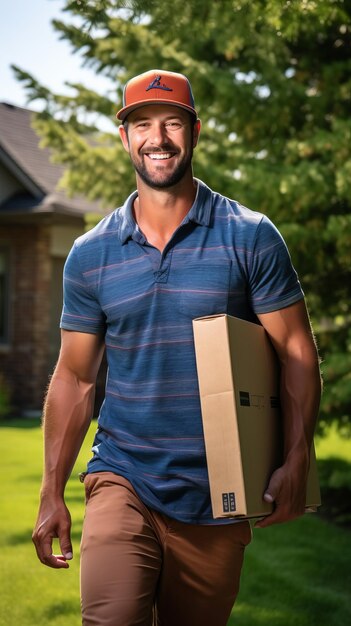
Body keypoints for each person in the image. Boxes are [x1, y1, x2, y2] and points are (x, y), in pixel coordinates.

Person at [32, 69, 322, 626]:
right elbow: (75, 378)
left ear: (194, 131)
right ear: (124, 138)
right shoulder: (91, 255)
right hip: (123, 475)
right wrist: (51, 491)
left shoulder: (250, 235)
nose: (157, 138)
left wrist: (296, 455)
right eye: (142, 124)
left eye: (171, 123)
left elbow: (296, 352)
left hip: (220, 493)